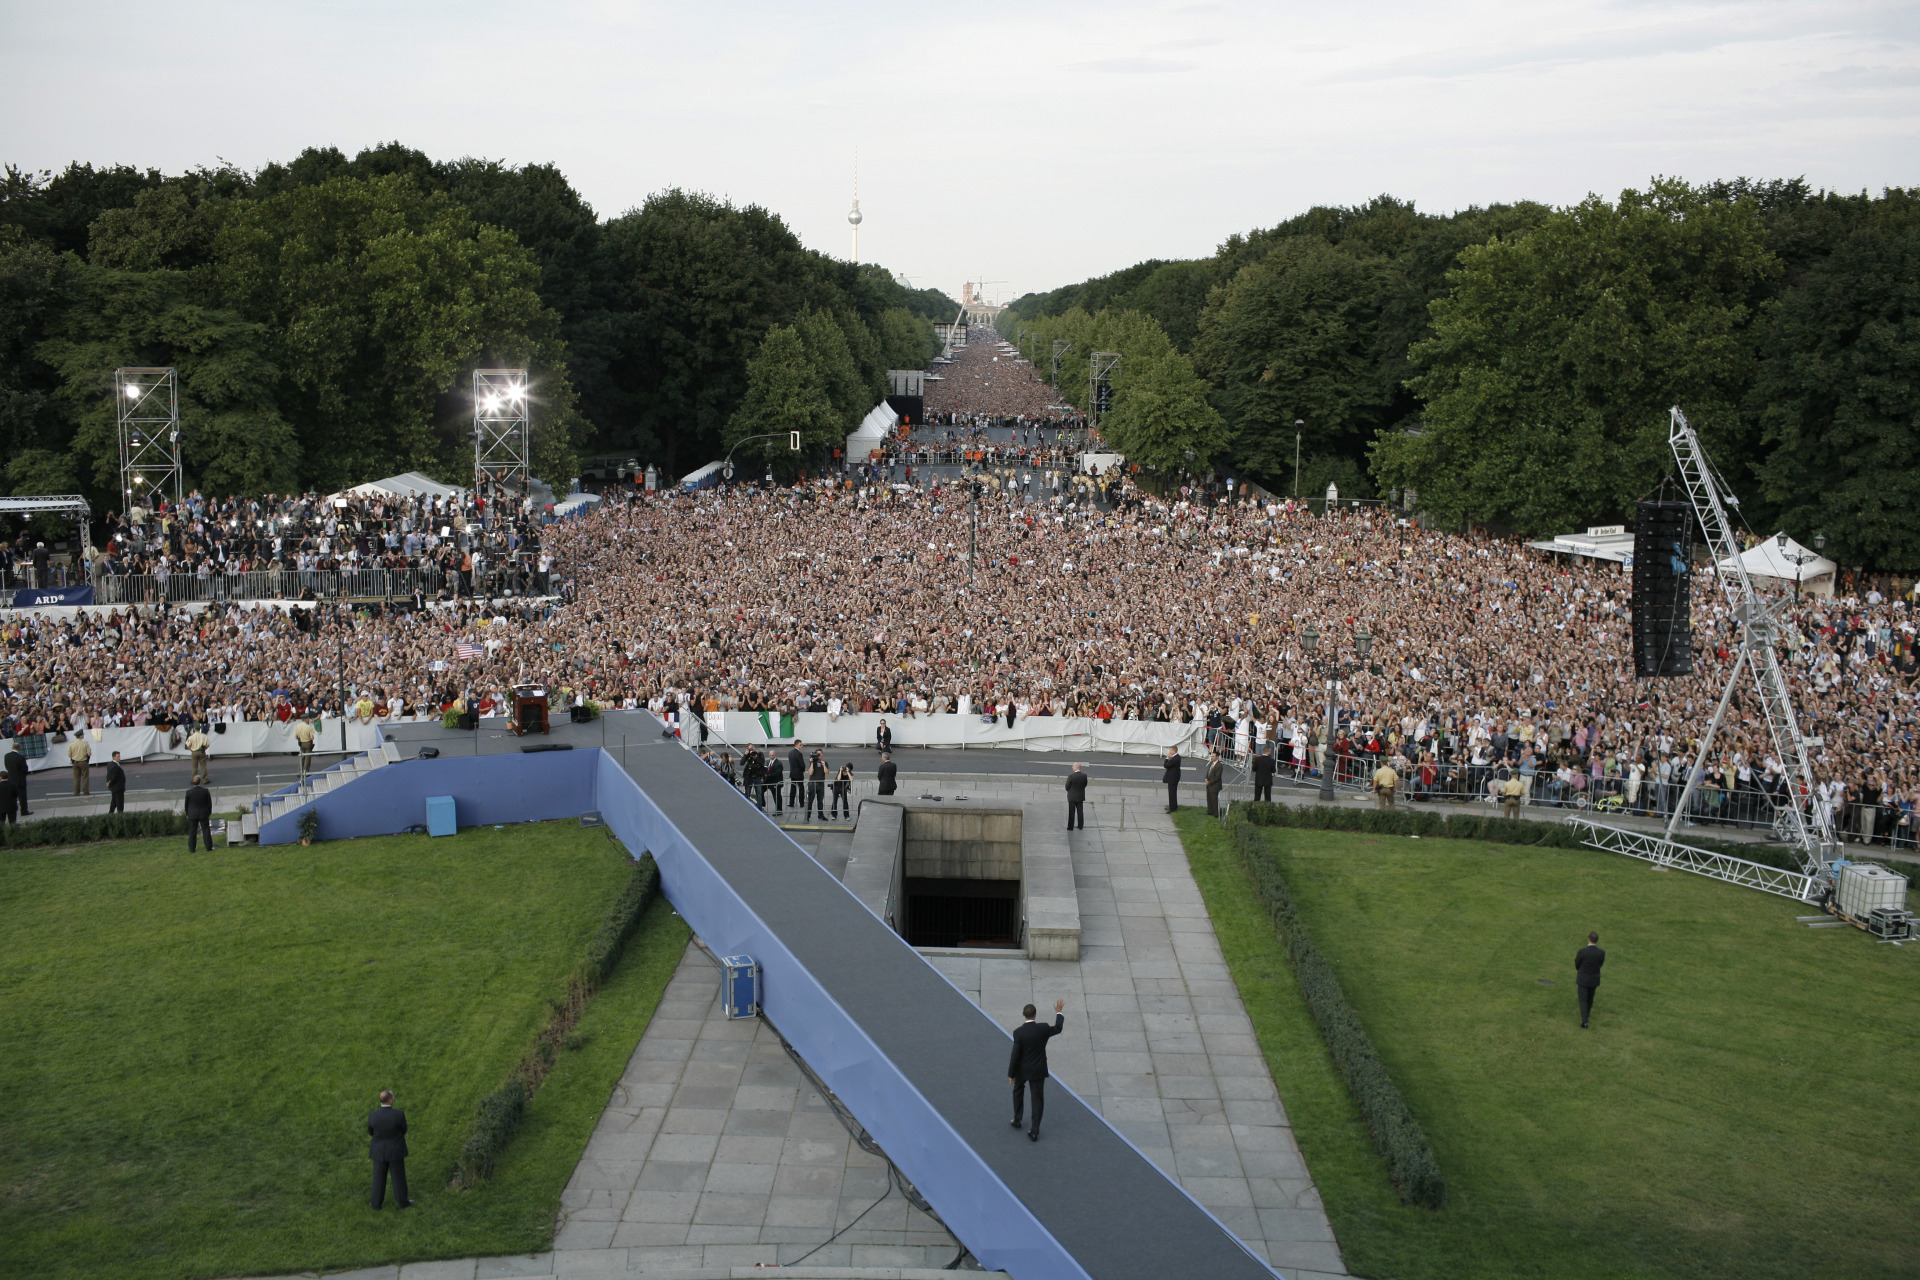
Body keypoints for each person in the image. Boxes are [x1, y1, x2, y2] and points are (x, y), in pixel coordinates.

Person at [1008, 998, 1066, 1142]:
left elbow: (1015, 1055)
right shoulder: (1043, 1029)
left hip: (1022, 1069)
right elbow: (1058, 1028)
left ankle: (1017, 1119)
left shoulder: (1019, 1033)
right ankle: (1034, 1131)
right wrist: (1059, 1012)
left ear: (1023, 1014)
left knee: (1018, 1091)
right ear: (1035, 1015)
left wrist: (1011, 1074)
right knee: (1037, 1099)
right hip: (1038, 1069)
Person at [367, 1089, 413, 1209]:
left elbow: (371, 1131)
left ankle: (376, 1204)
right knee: (399, 1178)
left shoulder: (373, 1115)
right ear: (390, 1100)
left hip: (379, 1151)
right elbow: (404, 1129)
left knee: (378, 1178)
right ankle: (402, 1202)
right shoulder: (398, 1114)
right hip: (395, 1150)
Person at [1575, 931, 1606, 1028]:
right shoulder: (1601, 952)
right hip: (1594, 979)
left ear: (1589, 939)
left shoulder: (1582, 951)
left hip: (1583, 979)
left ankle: (1585, 1021)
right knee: (1590, 998)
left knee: (1583, 999)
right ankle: (1586, 1015)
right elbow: (1600, 964)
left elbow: (1577, 963)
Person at [184, 780, 214, 851]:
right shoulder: (205, 791)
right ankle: (208, 847)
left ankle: (192, 848)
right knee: (206, 830)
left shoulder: (189, 792)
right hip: (203, 813)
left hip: (192, 814)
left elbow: (186, 804)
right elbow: (209, 803)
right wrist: (209, 812)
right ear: (199, 782)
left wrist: (187, 813)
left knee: (192, 831)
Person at [3, 745, 27, 816]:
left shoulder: (7, 756)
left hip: (11, 779)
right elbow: (24, 769)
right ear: (19, 748)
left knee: (11, 796)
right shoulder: (20, 757)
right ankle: (24, 811)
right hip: (20, 780)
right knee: (22, 797)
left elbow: (6, 766)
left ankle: (11, 810)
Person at [806, 749, 827, 821]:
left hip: (821, 785)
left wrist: (824, 765)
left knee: (820, 801)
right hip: (812, 784)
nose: (819, 755)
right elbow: (810, 773)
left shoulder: (824, 762)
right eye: (818, 754)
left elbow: (827, 772)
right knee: (810, 801)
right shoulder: (813, 762)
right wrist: (812, 763)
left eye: (820, 754)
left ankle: (820, 815)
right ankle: (807, 816)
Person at [1065, 762, 1088, 830]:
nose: (1072, 767)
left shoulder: (1071, 776)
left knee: (1071, 812)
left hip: (1072, 797)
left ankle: (1070, 826)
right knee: (1080, 811)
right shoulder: (1084, 776)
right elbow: (1085, 784)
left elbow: (1067, 787)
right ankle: (1080, 825)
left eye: (1073, 766)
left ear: (1076, 767)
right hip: (1080, 796)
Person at [787, 741, 807, 812]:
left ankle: (791, 803)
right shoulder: (799, 754)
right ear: (796, 745)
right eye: (800, 745)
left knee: (793, 788)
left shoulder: (790, 753)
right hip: (798, 773)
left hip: (793, 773)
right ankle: (801, 803)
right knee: (801, 788)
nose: (802, 746)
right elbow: (802, 764)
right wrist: (803, 770)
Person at [1205, 748, 1224, 816]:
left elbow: (1217, 777)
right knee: (1209, 799)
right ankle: (1210, 811)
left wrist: (1209, 782)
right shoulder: (1212, 763)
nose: (1212, 757)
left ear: (1217, 757)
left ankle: (1216, 813)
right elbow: (1209, 772)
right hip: (1209, 784)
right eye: (1211, 756)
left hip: (1215, 786)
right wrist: (1206, 778)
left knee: (1214, 800)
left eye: (1213, 756)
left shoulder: (1219, 766)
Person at [1162, 747, 1182, 813]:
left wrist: (1167, 758)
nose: (1170, 752)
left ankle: (1173, 808)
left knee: (1172, 793)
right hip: (1174, 777)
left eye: (1170, 750)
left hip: (1173, 778)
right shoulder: (1177, 757)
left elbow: (1166, 765)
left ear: (1174, 751)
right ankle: (1172, 806)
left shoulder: (1175, 759)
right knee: (1172, 793)